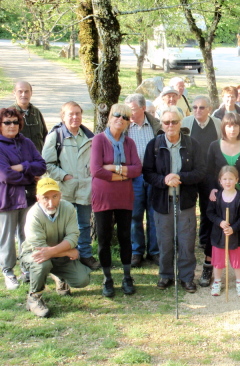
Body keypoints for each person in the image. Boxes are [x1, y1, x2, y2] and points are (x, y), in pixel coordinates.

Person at [143, 106, 204, 294]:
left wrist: (180, 177)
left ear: (180, 123)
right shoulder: (154, 145)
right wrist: (164, 180)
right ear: (162, 124)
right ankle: (166, 275)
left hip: (184, 202)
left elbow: (201, 171)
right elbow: (147, 173)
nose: (171, 125)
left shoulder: (192, 144)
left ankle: (186, 277)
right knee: (164, 241)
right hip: (162, 203)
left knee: (186, 241)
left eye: (174, 122)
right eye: (167, 122)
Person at [91, 104, 142, 297]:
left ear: (129, 122)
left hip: (124, 196)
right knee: (103, 239)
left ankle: (127, 276)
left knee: (125, 238)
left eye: (125, 117)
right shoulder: (98, 140)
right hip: (103, 197)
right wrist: (122, 174)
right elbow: (96, 170)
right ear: (109, 117)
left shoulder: (130, 143)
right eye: (117, 115)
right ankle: (107, 278)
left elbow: (137, 168)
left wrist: (113, 167)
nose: (120, 119)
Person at [21, 178, 92, 318]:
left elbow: (73, 236)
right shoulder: (33, 215)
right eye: (45, 198)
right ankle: (34, 298)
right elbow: (41, 250)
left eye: (55, 196)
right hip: (34, 254)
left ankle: (59, 277)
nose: (51, 203)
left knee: (83, 279)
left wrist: (57, 251)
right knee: (42, 263)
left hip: (57, 253)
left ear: (60, 195)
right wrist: (68, 251)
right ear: (37, 198)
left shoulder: (68, 208)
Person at [42, 101, 99, 270]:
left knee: (84, 224)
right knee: (63, 226)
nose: (75, 117)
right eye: (71, 114)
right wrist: (64, 176)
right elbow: (46, 164)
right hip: (64, 190)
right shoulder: (55, 136)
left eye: (78, 113)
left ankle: (85, 255)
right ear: (63, 116)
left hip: (84, 189)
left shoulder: (90, 137)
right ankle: (64, 257)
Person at [205, 112, 240, 289]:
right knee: (216, 232)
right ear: (223, 127)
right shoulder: (214, 146)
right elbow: (209, 171)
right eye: (229, 125)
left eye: (235, 125)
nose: (232, 128)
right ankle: (209, 267)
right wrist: (212, 189)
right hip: (219, 199)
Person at [0, 107, 46, 290]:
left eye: (15, 122)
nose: (12, 126)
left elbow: (41, 165)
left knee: (27, 234)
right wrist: (28, 173)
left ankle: (27, 268)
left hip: (28, 196)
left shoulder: (26, 142)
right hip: (7, 198)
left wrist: (21, 166)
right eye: (7, 122)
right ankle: (8, 270)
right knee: (6, 236)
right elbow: (5, 175)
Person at [182, 95, 222, 265]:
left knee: (207, 207)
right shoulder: (186, 122)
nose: (198, 110)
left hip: (210, 173)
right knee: (188, 207)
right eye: (195, 107)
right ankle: (185, 239)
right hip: (191, 173)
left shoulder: (217, 124)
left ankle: (205, 239)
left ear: (209, 109)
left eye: (202, 107)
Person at [124, 94, 162, 267]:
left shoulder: (155, 126)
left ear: (143, 108)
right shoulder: (125, 127)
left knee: (154, 215)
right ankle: (136, 251)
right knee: (135, 215)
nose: (129, 113)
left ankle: (154, 251)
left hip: (152, 176)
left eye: (132, 110)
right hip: (133, 177)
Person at [207, 166, 240, 296]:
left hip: (236, 235)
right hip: (219, 235)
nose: (228, 182)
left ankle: (239, 282)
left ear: (236, 180)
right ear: (220, 180)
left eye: (231, 179)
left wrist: (234, 228)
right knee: (218, 260)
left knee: (238, 261)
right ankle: (217, 282)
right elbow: (210, 213)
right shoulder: (216, 197)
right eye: (225, 179)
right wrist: (220, 222)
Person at [10, 81, 48, 152]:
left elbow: (45, 135)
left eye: (26, 91)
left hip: (38, 157)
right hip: (19, 159)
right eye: (20, 91)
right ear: (14, 93)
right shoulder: (9, 114)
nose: (23, 95)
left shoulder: (36, 112)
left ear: (31, 93)